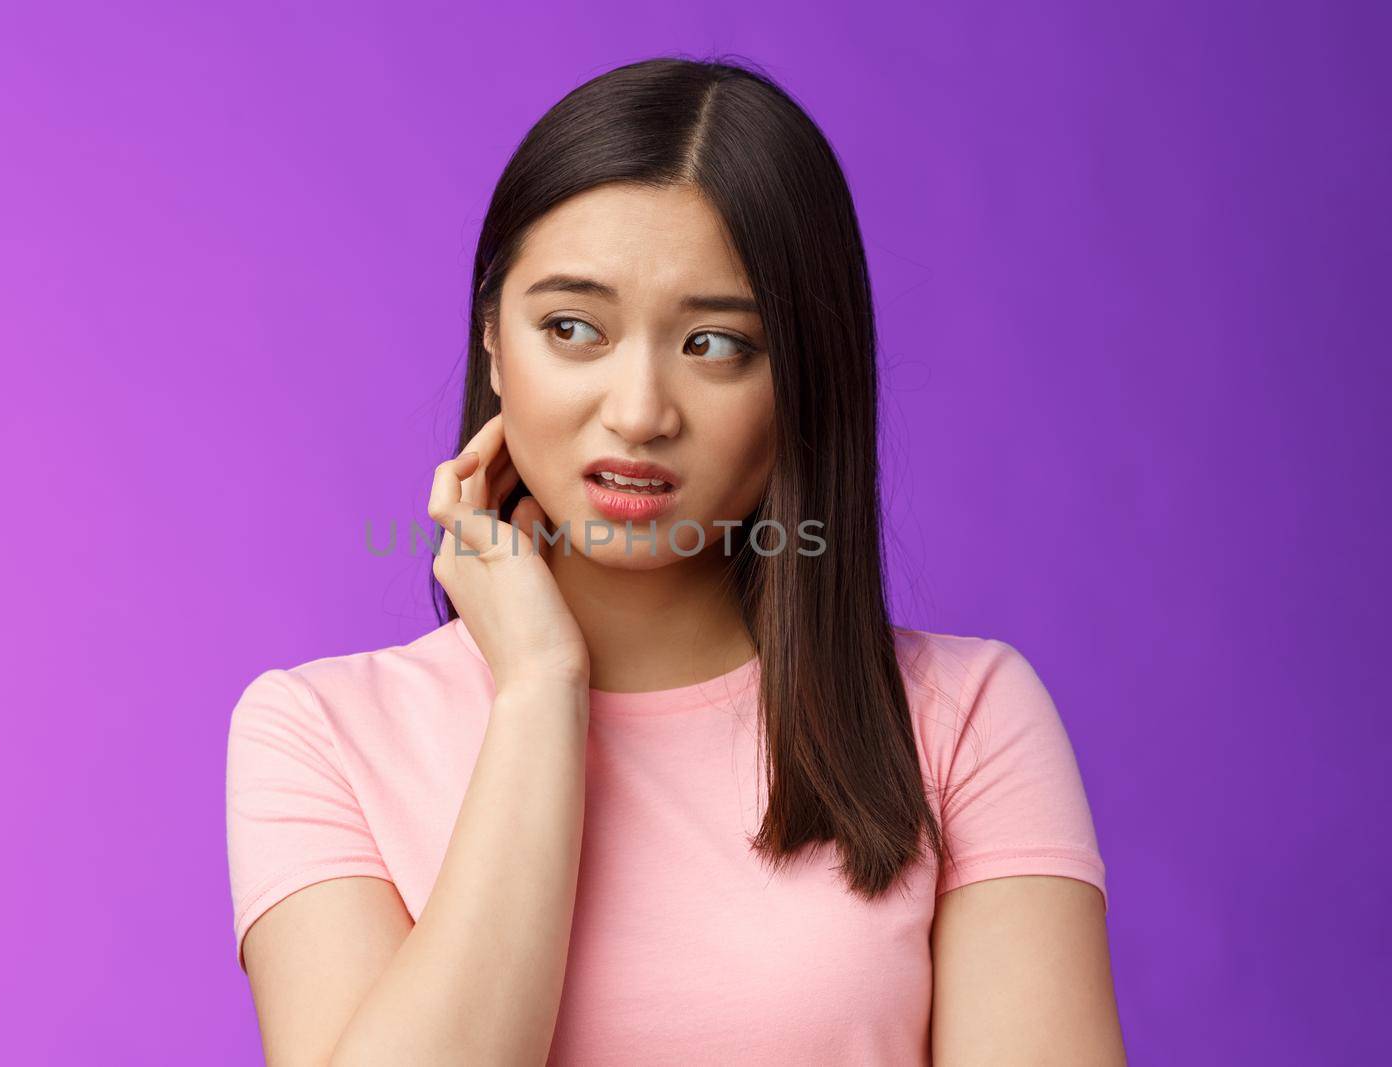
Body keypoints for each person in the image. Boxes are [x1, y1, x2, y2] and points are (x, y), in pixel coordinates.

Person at [225, 55, 1125, 1065]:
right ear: (491, 341)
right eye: (572, 328)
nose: (640, 411)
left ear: (803, 375)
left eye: (714, 345)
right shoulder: (319, 736)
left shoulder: (962, 718)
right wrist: (538, 687)